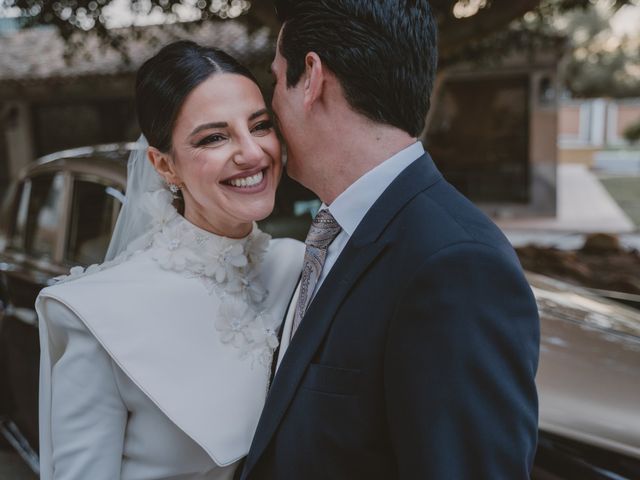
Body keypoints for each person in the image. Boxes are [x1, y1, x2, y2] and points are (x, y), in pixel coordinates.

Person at [238, 1, 540, 479]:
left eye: (276, 81)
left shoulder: (457, 265)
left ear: (311, 77)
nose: (272, 106)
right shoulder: (332, 234)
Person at [36, 40, 303, 480]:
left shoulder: (299, 268)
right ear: (164, 165)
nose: (253, 153)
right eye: (214, 137)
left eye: (259, 125)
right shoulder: (96, 316)